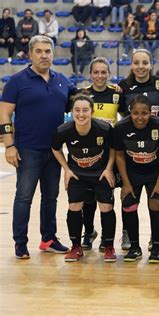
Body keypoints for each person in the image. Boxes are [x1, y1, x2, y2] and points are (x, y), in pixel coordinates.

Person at [1, 35, 76, 259]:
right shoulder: (16, 81)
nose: (44, 55)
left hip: (54, 150)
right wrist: (9, 146)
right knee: (24, 197)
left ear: (53, 54)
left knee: (50, 197)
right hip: (27, 149)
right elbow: (4, 114)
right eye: (39, 51)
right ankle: (20, 243)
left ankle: (48, 239)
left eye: (48, 51)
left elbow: (81, 99)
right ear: (31, 54)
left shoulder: (62, 80)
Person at [51, 94, 117, 262]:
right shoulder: (63, 130)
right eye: (77, 110)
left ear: (92, 112)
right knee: (74, 206)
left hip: (100, 172)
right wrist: (66, 169)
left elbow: (114, 149)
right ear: (72, 112)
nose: (81, 114)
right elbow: (55, 149)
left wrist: (109, 168)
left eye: (85, 110)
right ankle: (76, 247)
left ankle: (109, 246)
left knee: (106, 207)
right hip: (77, 174)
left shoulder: (104, 129)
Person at [79, 57, 126, 251]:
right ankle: (89, 232)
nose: (100, 76)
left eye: (103, 72)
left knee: (110, 197)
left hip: (111, 153)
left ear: (109, 74)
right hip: (90, 154)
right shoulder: (84, 94)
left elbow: (126, 119)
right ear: (90, 74)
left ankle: (112, 237)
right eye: (96, 72)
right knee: (88, 197)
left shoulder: (117, 94)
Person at [115, 95, 159, 263]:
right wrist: (125, 184)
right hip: (132, 173)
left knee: (157, 203)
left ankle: (156, 248)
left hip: (155, 172)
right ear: (130, 112)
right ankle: (134, 247)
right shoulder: (121, 127)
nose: (140, 117)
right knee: (129, 204)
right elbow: (120, 156)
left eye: (144, 113)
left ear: (150, 113)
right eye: (135, 113)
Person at [119, 49, 159, 120]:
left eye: (145, 63)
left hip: (157, 129)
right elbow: (122, 112)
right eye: (136, 63)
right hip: (131, 130)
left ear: (151, 65)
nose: (140, 66)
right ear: (131, 65)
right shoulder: (123, 85)